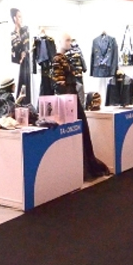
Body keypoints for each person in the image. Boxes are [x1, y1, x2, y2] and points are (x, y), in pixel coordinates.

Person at [51, 33, 109, 179]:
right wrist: (67, 101)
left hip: (72, 98)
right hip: (68, 100)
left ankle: (85, 165)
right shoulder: (57, 59)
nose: (70, 43)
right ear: (59, 41)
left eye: (70, 40)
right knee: (77, 131)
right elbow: (58, 84)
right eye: (67, 40)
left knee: (81, 130)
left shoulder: (65, 58)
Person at [10, 8, 31, 99]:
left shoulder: (25, 30)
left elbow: (28, 45)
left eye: (21, 16)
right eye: (19, 17)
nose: (21, 19)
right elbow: (16, 49)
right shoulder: (13, 35)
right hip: (18, 64)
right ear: (14, 18)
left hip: (27, 62)